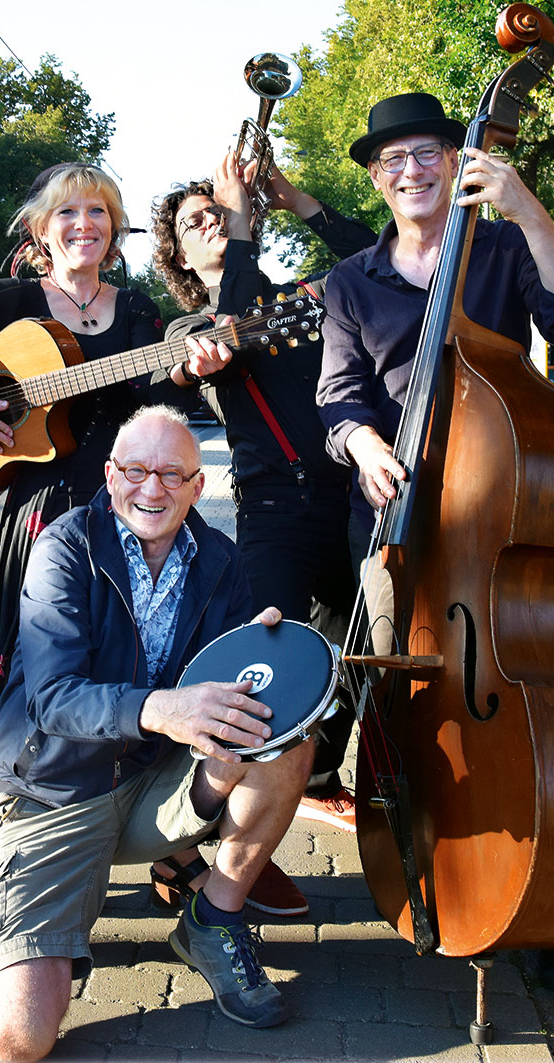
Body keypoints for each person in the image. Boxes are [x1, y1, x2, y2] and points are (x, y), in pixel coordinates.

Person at [316, 92, 554, 992]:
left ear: (456, 159)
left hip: (499, 511)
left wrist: (526, 206)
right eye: (392, 160)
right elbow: (338, 396)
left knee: (525, 695)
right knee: (404, 704)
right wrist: (363, 443)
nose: (411, 170)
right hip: (401, 529)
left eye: (427, 153)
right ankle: (427, 865)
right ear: (375, 178)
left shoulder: (505, 246)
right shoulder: (351, 280)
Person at [0, 405, 314, 1060]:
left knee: (285, 733)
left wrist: (261, 662)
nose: (151, 489)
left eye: (170, 474)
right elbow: (51, 698)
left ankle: (213, 916)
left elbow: (225, 682)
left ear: (196, 484)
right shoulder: (65, 548)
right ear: (110, 473)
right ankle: (27, 900)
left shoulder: (219, 560)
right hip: (55, 794)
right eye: (135, 470)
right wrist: (161, 708)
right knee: (20, 1038)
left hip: (155, 783)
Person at [0, 162, 182, 848]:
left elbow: (159, 398)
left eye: (99, 213)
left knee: (128, 667)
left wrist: (189, 363)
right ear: (43, 231)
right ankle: (26, 823)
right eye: (69, 214)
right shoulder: (14, 301)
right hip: (45, 513)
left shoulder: (135, 310)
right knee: (39, 670)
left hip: (125, 513)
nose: (85, 225)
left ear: (115, 229)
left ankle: (131, 829)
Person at [149, 154, 377, 909]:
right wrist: (242, 216)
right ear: (180, 256)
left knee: (364, 650)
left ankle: (314, 778)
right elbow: (229, 319)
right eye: (194, 219)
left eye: (216, 207)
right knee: (266, 664)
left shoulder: (304, 298)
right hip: (274, 508)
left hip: (353, 497)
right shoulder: (191, 326)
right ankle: (196, 843)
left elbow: (392, 260)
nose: (211, 215)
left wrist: (302, 203)